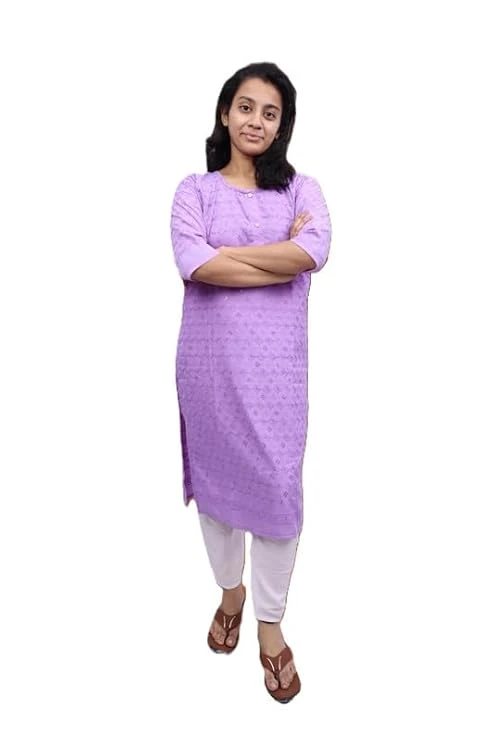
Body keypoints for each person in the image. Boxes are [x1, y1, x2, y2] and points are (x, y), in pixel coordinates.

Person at [170, 61, 332, 703]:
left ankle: (269, 624)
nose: (256, 121)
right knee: (216, 498)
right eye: (246, 107)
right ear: (224, 112)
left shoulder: (300, 191)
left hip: (277, 381)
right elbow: (194, 263)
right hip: (208, 372)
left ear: (282, 124)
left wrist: (227, 256)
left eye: (270, 112)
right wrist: (277, 261)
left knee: (277, 499)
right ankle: (230, 593)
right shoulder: (194, 190)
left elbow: (314, 251)